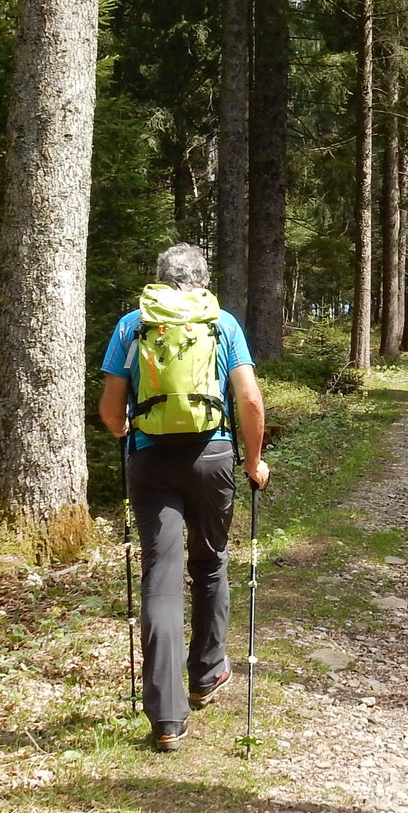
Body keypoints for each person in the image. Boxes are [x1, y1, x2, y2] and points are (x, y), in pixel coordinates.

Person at [98, 243, 270, 752]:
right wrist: (253, 461)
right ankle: (207, 674)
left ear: (158, 279)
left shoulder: (132, 325)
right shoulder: (222, 323)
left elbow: (110, 410)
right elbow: (251, 399)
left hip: (151, 462)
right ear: (201, 280)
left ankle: (167, 718)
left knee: (161, 578)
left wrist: (127, 430)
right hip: (212, 456)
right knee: (211, 564)